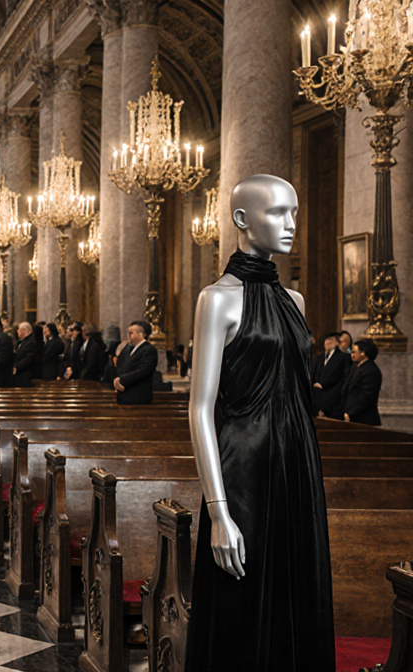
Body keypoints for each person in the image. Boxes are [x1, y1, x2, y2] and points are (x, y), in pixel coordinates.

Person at [185, 174, 333, 670]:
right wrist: (219, 510)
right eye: (277, 213)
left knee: (298, 592)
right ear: (242, 220)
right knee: (239, 605)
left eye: (294, 212)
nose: (291, 224)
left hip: (298, 463)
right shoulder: (217, 299)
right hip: (242, 472)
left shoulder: (296, 303)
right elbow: (200, 408)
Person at [114, 321, 157, 405]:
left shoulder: (149, 350)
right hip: (124, 392)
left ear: (141, 334)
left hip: (138, 395)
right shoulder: (127, 348)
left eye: (131, 333)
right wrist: (118, 381)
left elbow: (143, 371)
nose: (128, 336)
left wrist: (122, 380)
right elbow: (120, 364)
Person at [343, 338, 382, 426]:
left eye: (353, 351)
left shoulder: (371, 370)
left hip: (364, 418)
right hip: (350, 415)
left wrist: (351, 413)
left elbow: (367, 396)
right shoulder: (356, 366)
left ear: (363, 353)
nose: (351, 354)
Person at [312, 332, 350, 419]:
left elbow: (344, 379)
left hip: (333, 399)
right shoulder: (320, 358)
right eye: (327, 340)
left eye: (331, 340)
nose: (327, 342)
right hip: (317, 398)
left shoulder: (343, 357)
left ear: (337, 342)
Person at [11, 322, 39, 388]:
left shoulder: (31, 342)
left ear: (25, 331)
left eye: (19, 330)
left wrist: (16, 367)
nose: (17, 332)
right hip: (20, 374)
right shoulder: (23, 341)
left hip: (25, 375)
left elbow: (27, 358)